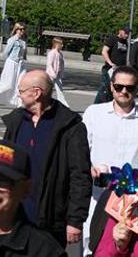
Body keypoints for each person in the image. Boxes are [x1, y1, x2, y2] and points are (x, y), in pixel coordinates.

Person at [2, 70, 92, 247]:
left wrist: (75, 220)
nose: (18, 95)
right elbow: (3, 167)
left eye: (21, 91)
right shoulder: (16, 121)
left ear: (36, 93)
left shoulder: (69, 126)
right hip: (15, 216)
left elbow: (80, 176)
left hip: (50, 218)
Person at [81, 65, 138, 255]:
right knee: (92, 246)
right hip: (98, 197)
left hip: (132, 202)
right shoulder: (93, 114)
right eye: (119, 86)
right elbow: (80, 153)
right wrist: (90, 168)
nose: (124, 91)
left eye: (130, 88)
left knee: (125, 248)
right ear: (111, 87)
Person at [0, 22, 28, 108]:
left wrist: (23, 61)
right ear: (16, 30)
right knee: (8, 84)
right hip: (11, 63)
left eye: (23, 29)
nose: (22, 31)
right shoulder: (12, 40)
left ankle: (19, 102)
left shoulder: (23, 42)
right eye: (21, 29)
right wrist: (9, 62)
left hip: (20, 64)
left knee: (21, 84)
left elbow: (24, 55)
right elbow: (5, 53)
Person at [96, 26, 131, 104]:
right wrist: (110, 63)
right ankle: (96, 105)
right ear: (120, 31)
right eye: (125, 33)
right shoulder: (113, 39)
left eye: (128, 33)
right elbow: (104, 51)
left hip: (119, 70)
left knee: (114, 90)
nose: (127, 35)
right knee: (105, 88)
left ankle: (108, 105)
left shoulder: (126, 42)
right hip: (110, 69)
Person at [46, 37, 70, 108]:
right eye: (61, 44)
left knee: (60, 91)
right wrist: (53, 74)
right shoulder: (52, 53)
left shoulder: (60, 54)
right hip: (51, 75)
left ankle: (64, 106)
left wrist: (61, 74)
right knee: (48, 91)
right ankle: (43, 103)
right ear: (56, 44)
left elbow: (61, 65)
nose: (62, 45)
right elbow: (49, 64)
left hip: (57, 76)